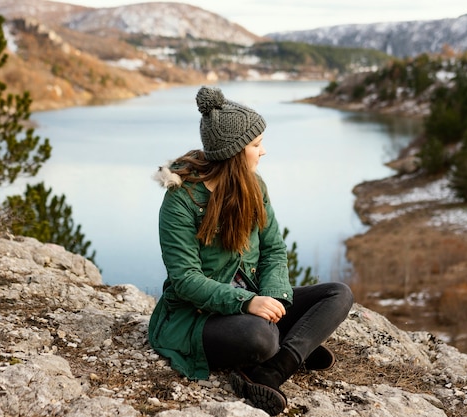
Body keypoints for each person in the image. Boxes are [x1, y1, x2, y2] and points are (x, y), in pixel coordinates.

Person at [149, 85, 354, 416]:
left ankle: (273, 369)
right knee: (260, 338)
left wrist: (273, 298)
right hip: (198, 317)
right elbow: (186, 280)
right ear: (234, 152)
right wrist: (248, 302)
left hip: (253, 301)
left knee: (338, 294)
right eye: (256, 145)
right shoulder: (181, 201)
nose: (263, 151)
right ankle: (290, 346)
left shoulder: (255, 187)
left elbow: (273, 249)